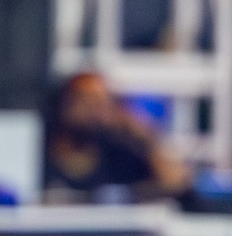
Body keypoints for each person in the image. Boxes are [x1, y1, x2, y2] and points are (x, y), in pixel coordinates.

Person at [44, 71, 192, 202]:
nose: (92, 111)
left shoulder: (115, 148)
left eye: (99, 103)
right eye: (85, 101)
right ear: (64, 103)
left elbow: (175, 181)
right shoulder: (41, 148)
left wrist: (138, 132)